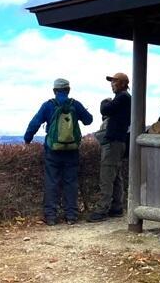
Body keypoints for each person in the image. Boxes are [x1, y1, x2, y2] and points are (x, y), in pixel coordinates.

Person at [24, 78, 93, 226]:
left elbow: (35, 123)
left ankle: (51, 217)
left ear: (54, 91)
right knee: (71, 182)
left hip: (53, 150)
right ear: (68, 90)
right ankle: (71, 216)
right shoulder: (75, 104)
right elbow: (89, 120)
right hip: (72, 150)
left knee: (52, 182)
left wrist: (27, 139)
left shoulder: (48, 105)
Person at [88, 72, 131, 222]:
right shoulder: (126, 98)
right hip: (119, 142)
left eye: (115, 82)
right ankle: (116, 207)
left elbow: (105, 110)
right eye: (112, 82)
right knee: (116, 175)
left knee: (107, 176)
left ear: (124, 83)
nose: (112, 84)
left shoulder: (123, 97)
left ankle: (101, 209)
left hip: (112, 143)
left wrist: (104, 102)